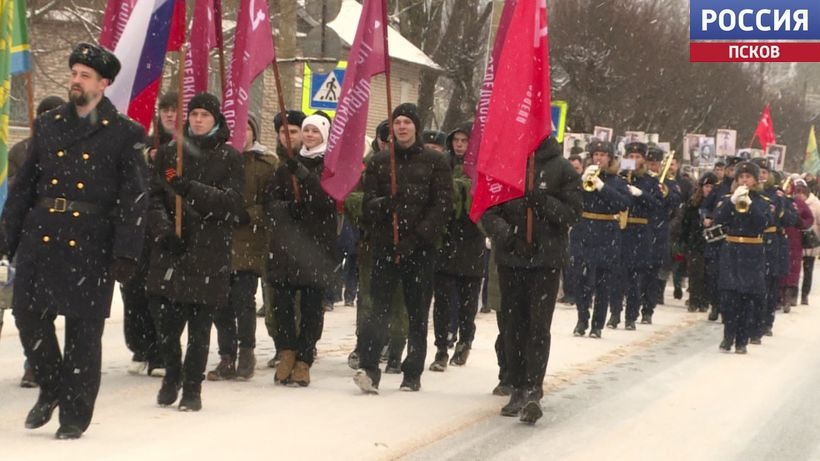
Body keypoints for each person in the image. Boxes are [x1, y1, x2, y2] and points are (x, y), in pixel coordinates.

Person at [0, 42, 147, 439]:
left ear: (104, 83)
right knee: (28, 315)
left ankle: (75, 415)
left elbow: (135, 198)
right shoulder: (48, 124)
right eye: (74, 73)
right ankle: (51, 386)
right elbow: (24, 186)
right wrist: (4, 237)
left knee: (83, 333)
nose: (75, 81)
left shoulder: (125, 133)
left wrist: (127, 252)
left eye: (84, 75)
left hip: (91, 240)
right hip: (42, 232)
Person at [146, 92, 243, 412]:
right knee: (167, 328)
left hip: (209, 252)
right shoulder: (170, 153)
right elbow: (155, 197)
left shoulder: (229, 157)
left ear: (216, 119)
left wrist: (193, 189)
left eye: (205, 114)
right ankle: (172, 374)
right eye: (194, 114)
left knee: (200, 331)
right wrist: (163, 233)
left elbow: (232, 203)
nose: (198, 120)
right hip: (173, 252)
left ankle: (192, 387)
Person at [481, 136, 581, 423]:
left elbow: (572, 213)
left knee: (538, 326)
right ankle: (515, 386)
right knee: (513, 325)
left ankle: (533, 388)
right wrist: (507, 235)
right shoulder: (504, 166)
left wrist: (541, 200)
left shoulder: (562, 169)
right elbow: (488, 210)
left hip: (545, 261)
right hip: (512, 258)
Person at [353, 103, 452, 394]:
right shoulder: (381, 162)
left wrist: (416, 238)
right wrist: (385, 205)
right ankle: (370, 367)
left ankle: (412, 371)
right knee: (377, 309)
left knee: (417, 311)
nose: (402, 127)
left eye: (407, 122)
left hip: (420, 249)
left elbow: (441, 207)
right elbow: (367, 203)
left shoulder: (436, 163)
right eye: (397, 122)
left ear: (416, 127)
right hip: (385, 246)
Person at [266, 114, 337, 387]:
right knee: (281, 304)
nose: (308, 135)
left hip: (315, 247)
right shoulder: (286, 167)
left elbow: (327, 202)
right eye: (305, 130)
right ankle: (286, 351)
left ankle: (305, 358)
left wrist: (305, 177)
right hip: (285, 247)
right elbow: (271, 203)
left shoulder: (329, 166)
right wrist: (287, 209)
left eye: (314, 131)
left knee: (310, 307)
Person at [207, 114, 277, 381]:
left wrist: (249, 215)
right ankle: (227, 355)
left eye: (247, 128)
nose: (242, 133)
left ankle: (246, 350)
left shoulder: (265, 163)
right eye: (236, 128)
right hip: (218, 240)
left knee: (243, 300)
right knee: (220, 303)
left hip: (249, 240)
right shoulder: (216, 158)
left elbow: (271, 202)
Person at [7, 95, 66, 389]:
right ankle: (34, 359)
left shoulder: (70, 151)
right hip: (26, 235)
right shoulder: (21, 151)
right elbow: (18, 192)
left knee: (47, 302)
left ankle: (40, 363)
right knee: (22, 303)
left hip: (57, 236)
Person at [123, 91, 178, 379]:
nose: (170, 115)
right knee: (134, 292)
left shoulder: (186, 148)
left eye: (175, 110)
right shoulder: (145, 143)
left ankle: (160, 350)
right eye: (165, 109)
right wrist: (147, 156)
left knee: (162, 294)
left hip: (169, 229)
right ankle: (139, 346)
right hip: (139, 228)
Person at [430, 123, 484, 370]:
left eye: (465, 140)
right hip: (446, 237)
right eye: (457, 140)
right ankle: (441, 347)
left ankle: (465, 340)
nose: (460, 145)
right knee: (442, 298)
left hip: (472, 238)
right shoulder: (443, 164)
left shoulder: (480, 167)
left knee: (467, 299)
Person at [571, 140, 630, 338]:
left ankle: (597, 324)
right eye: (595, 154)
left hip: (606, 233)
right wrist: (581, 182)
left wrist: (601, 186)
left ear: (610, 158)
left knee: (603, 282)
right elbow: (571, 199)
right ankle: (582, 319)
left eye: (603, 155)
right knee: (581, 279)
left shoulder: (617, 181)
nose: (598, 158)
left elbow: (622, 203)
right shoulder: (583, 177)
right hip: (584, 231)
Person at [262, 110, 305, 367]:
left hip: (303, 243)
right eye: (283, 132)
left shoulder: (308, 163)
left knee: (300, 301)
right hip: (273, 241)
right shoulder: (271, 164)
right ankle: (281, 345)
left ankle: (299, 347)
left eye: (293, 131)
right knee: (274, 301)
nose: (287, 137)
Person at [715, 161, 770, 354]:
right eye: (741, 177)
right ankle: (728, 336)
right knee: (729, 298)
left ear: (755, 180)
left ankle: (741, 340)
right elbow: (718, 219)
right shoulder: (729, 198)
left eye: (748, 177)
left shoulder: (762, 201)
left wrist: (750, 204)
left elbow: (763, 222)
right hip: (732, 250)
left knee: (746, 299)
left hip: (751, 252)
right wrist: (731, 203)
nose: (744, 180)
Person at [611, 142, 662, 330]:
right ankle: (614, 313)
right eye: (630, 157)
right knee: (617, 276)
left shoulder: (650, 181)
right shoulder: (618, 178)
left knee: (634, 278)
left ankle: (631, 316)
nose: (633, 160)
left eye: (637, 157)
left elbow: (657, 205)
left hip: (640, 231)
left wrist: (641, 194)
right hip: (620, 230)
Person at [779, 178, 814, 311]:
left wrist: (801, 225)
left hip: (795, 240)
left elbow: (809, 218)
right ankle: (778, 296)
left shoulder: (798, 203)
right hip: (779, 237)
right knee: (779, 267)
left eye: (789, 187)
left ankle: (788, 297)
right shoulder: (777, 201)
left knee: (792, 268)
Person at [801, 180, 820, 305]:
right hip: (797, 239)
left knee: (808, 269)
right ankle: (791, 293)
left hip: (811, 240)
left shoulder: (816, 204)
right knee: (794, 269)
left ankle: (804, 294)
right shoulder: (794, 202)